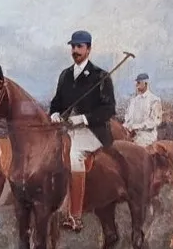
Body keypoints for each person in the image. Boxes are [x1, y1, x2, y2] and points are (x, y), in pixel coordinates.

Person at [48, 29, 117, 232]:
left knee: (75, 154)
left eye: (80, 46)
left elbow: (109, 109)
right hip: (68, 130)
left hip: (94, 131)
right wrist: (54, 113)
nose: (75, 50)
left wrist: (84, 118)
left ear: (89, 49)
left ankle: (75, 215)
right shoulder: (65, 75)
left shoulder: (101, 76)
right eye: (73, 46)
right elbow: (56, 102)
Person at [123, 72, 163, 146]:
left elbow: (155, 121)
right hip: (131, 134)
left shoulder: (154, 100)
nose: (136, 85)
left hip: (146, 136)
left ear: (145, 84)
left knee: (135, 148)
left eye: (138, 83)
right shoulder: (133, 100)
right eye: (136, 83)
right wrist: (125, 127)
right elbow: (128, 118)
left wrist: (136, 127)